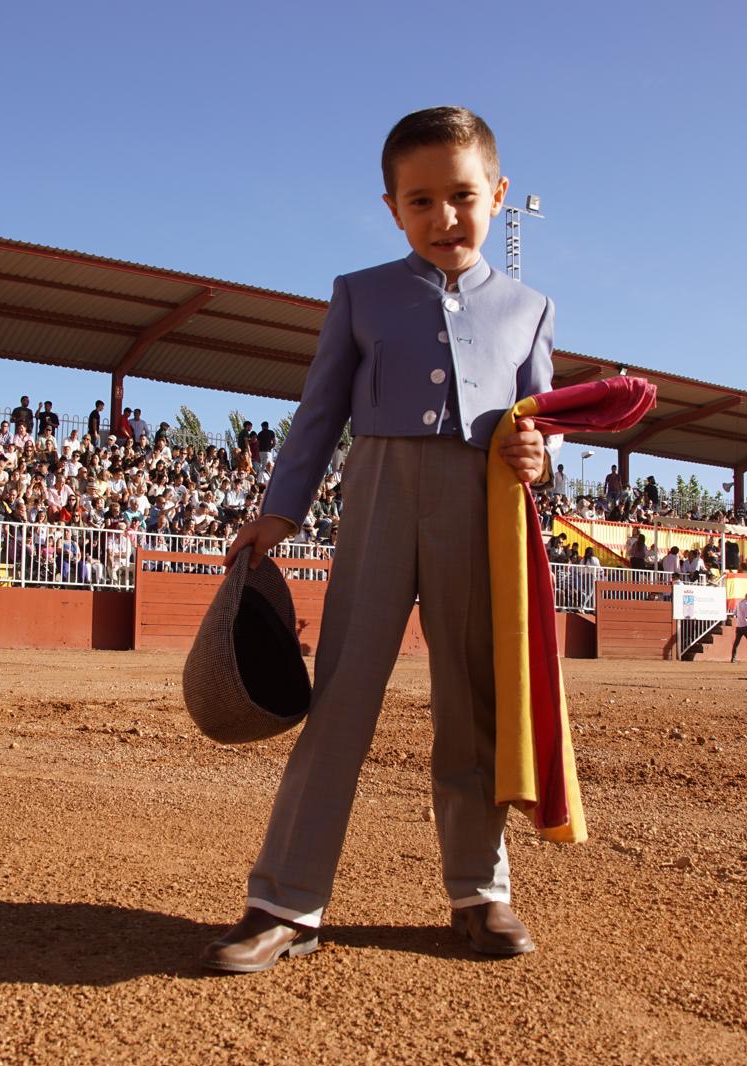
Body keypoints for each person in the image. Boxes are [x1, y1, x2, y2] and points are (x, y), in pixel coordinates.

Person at [201, 107, 554, 972]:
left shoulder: (530, 308)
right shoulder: (360, 292)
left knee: (473, 703)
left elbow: (545, 432)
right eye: (421, 200)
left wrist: (540, 458)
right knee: (344, 693)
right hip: (379, 495)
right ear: (392, 208)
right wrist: (281, 511)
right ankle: (284, 900)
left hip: (484, 505)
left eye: (463, 197)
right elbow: (320, 411)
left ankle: (481, 893)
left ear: (499, 196)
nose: (444, 218)